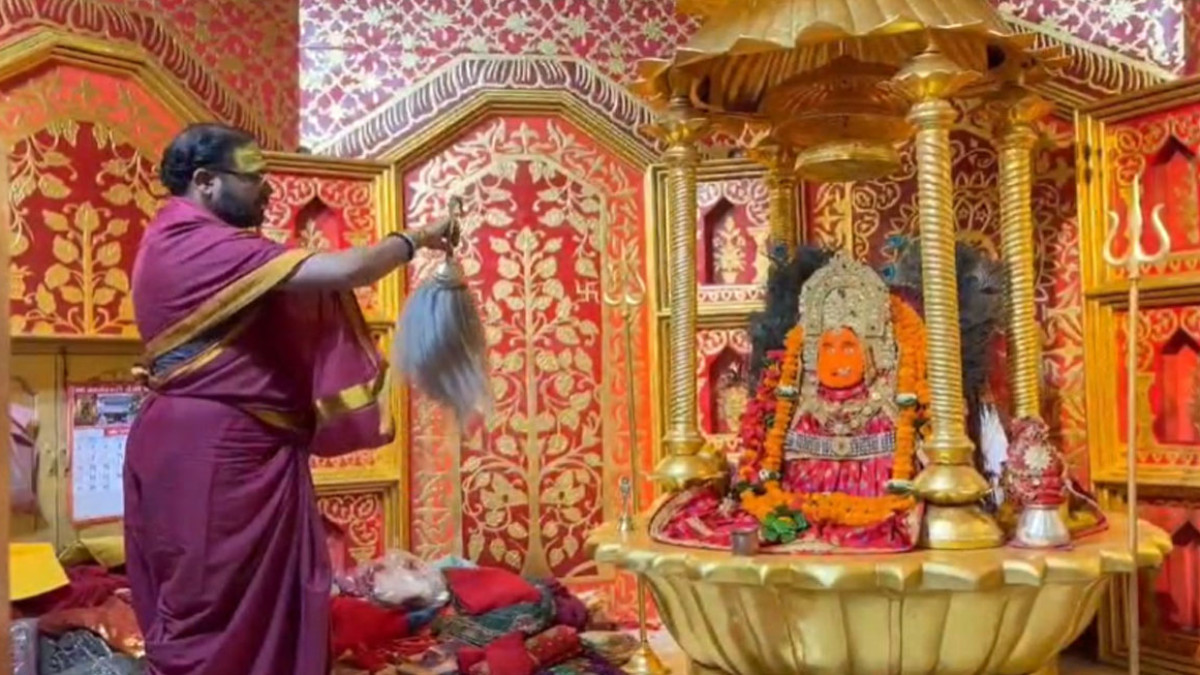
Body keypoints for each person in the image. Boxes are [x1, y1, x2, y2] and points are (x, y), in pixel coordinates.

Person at [124, 123, 455, 675]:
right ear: (205, 181)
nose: (269, 188)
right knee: (216, 604)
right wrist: (418, 238)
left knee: (240, 603)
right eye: (254, 176)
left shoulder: (179, 239)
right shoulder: (194, 243)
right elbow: (349, 270)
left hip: (225, 446)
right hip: (215, 455)